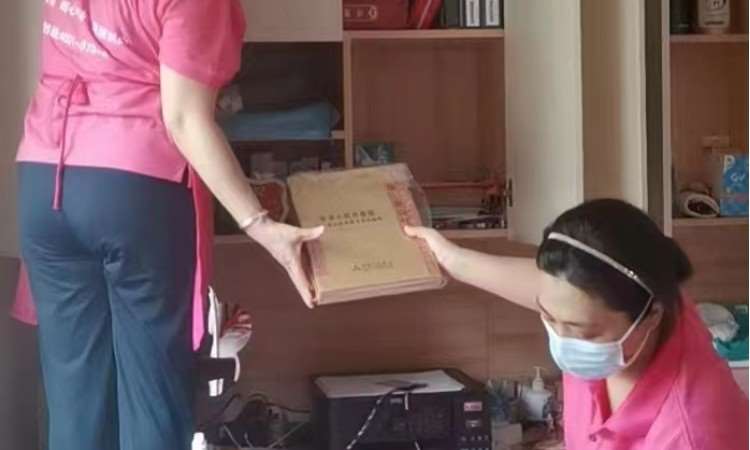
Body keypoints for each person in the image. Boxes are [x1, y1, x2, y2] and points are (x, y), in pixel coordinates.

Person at [12, 1, 322, 449]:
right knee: (152, 394)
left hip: (45, 181)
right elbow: (184, 119)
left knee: (74, 400)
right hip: (131, 182)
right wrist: (260, 225)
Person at [406, 199, 748, 450]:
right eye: (548, 316)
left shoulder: (689, 434)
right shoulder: (646, 296)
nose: (562, 340)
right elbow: (557, 289)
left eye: (582, 331)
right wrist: (451, 258)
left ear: (650, 316)